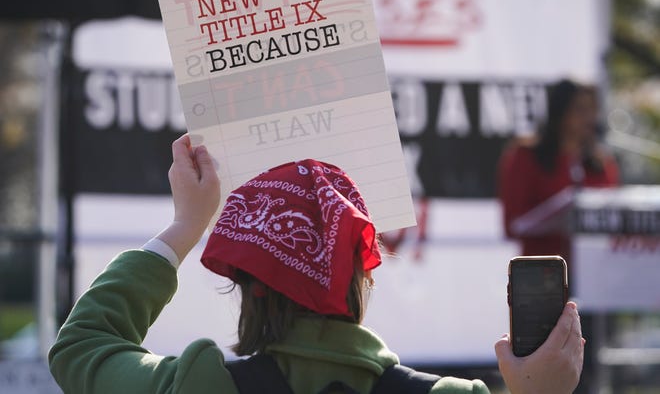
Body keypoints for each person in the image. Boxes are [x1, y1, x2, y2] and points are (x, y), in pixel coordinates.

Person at [49, 134, 584, 393]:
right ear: (361, 275)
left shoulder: (201, 385)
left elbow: (82, 346)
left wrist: (187, 224)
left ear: (252, 286)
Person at [498, 79, 619, 266]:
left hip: (594, 274)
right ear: (559, 111)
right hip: (542, 273)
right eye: (579, 109)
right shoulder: (524, 156)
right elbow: (512, 226)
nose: (588, 118)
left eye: (591, 110)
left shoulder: (602, 163)